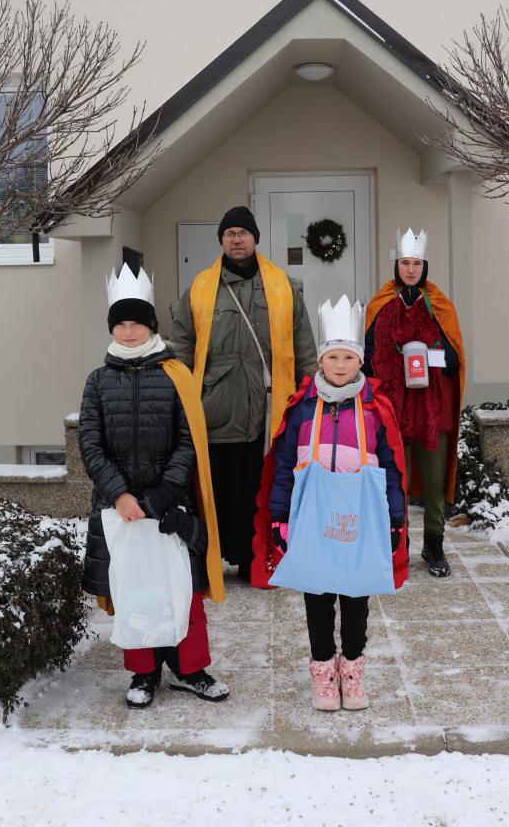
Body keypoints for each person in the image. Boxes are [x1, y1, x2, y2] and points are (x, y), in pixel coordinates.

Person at [80, 263, 229, 709]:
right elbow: (90, 444)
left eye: (137, 323)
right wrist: (120, 494)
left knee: (183, 590)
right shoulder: (97, 381)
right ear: (112, 327)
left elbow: (189, 440)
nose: (129, 332)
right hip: (121, 509)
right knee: (135, 591)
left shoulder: (176, 375)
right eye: (121, 324)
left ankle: (189, 669)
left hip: (170, 505)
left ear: (151, 326)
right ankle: (144, 672)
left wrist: (165, 493)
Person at [253, 296, 407, 711]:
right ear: (320, 360)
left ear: (360, 361)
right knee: (318, 598)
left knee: (356, 598)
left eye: (348, 357)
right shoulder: (303, 409)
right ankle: (323, 671)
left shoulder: (374, 409)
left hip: (360, 520)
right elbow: (284, 467)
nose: (340, 365)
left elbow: (391, 469)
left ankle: (353, 671)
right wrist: (279, 518)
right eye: (333, 357)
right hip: (313, 518)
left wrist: (395, 521)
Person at [171, 205, 317, 580]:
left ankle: (256, 560)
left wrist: (310, 394)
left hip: (269, 407)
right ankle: (216, 558)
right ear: (222, 240)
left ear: (255, 238)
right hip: (215, 407)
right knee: (220, 489)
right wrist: (177, 396)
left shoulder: (282, 285)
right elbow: (183, 344)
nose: (237, 239)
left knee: (260, 487)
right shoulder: (200, 287)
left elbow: (303, 344)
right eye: (230, 234)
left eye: (243, 233)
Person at [364, 228, 466, 578]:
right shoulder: (380, 305)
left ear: (425, 266)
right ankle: (399, 543)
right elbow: (368, 360)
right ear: (396, 264)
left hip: (432, 409)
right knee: (396, 480)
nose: (410, 269)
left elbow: (455, 359)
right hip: (392, 408)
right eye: (405, 263)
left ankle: (434, 544)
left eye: (416, 263)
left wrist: (438, 357)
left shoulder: (440, 305)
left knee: (434, 481)